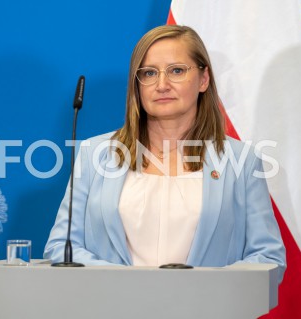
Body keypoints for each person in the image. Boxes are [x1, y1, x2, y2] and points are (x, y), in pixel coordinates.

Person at [44, 25, 286, 281]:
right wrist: (124, 284)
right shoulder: (95, 154)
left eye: (177, 71)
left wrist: (207, 289)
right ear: (137, 86)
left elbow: (268, 258)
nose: (162, 85)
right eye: (149, 73)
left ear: (203, 79)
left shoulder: (243, 161)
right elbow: (61, 248)